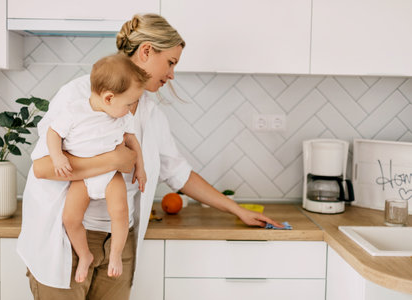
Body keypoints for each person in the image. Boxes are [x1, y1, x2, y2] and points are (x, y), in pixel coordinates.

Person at [17, 13, 283, 300]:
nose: (171, 74)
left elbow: (179, 174)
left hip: (120, 244)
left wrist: (237, 210)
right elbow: (44, 167)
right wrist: (114, 161)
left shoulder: (149, 112)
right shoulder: (81, 95)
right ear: (146, 51)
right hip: (68, 240)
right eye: (170, 62)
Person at [46, 54, 149, 283]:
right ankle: (85, 255)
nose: (131, 108)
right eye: (129, 103)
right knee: (70, 218)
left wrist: (140, 169)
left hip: (111, 177)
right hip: (83, 179)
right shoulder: (74, 111)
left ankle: (115, 255)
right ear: (109, 98)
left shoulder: (120, 118)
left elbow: (132, 142)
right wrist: (57, 158)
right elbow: (53, 133)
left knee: (120, 214)